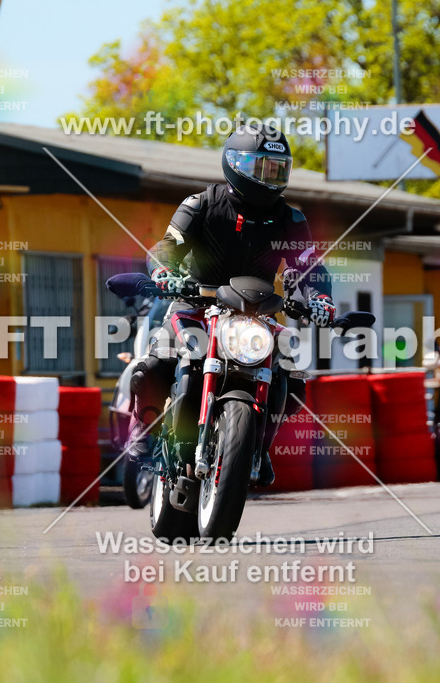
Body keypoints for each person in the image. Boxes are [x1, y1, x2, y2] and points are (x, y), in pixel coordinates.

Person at [126, 124, 334, 487]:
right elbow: (166, 247)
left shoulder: (291, 219)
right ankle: (145, 429)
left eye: (277, 169)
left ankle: (258, 445)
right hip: (194, 304)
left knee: (294, 375)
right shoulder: (200, 204)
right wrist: (163, 273)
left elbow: (310, 266)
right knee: (154, 364)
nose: (270, 178)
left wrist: (320, 300)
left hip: (256, 315)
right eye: (262, 168)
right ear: (236, 164)